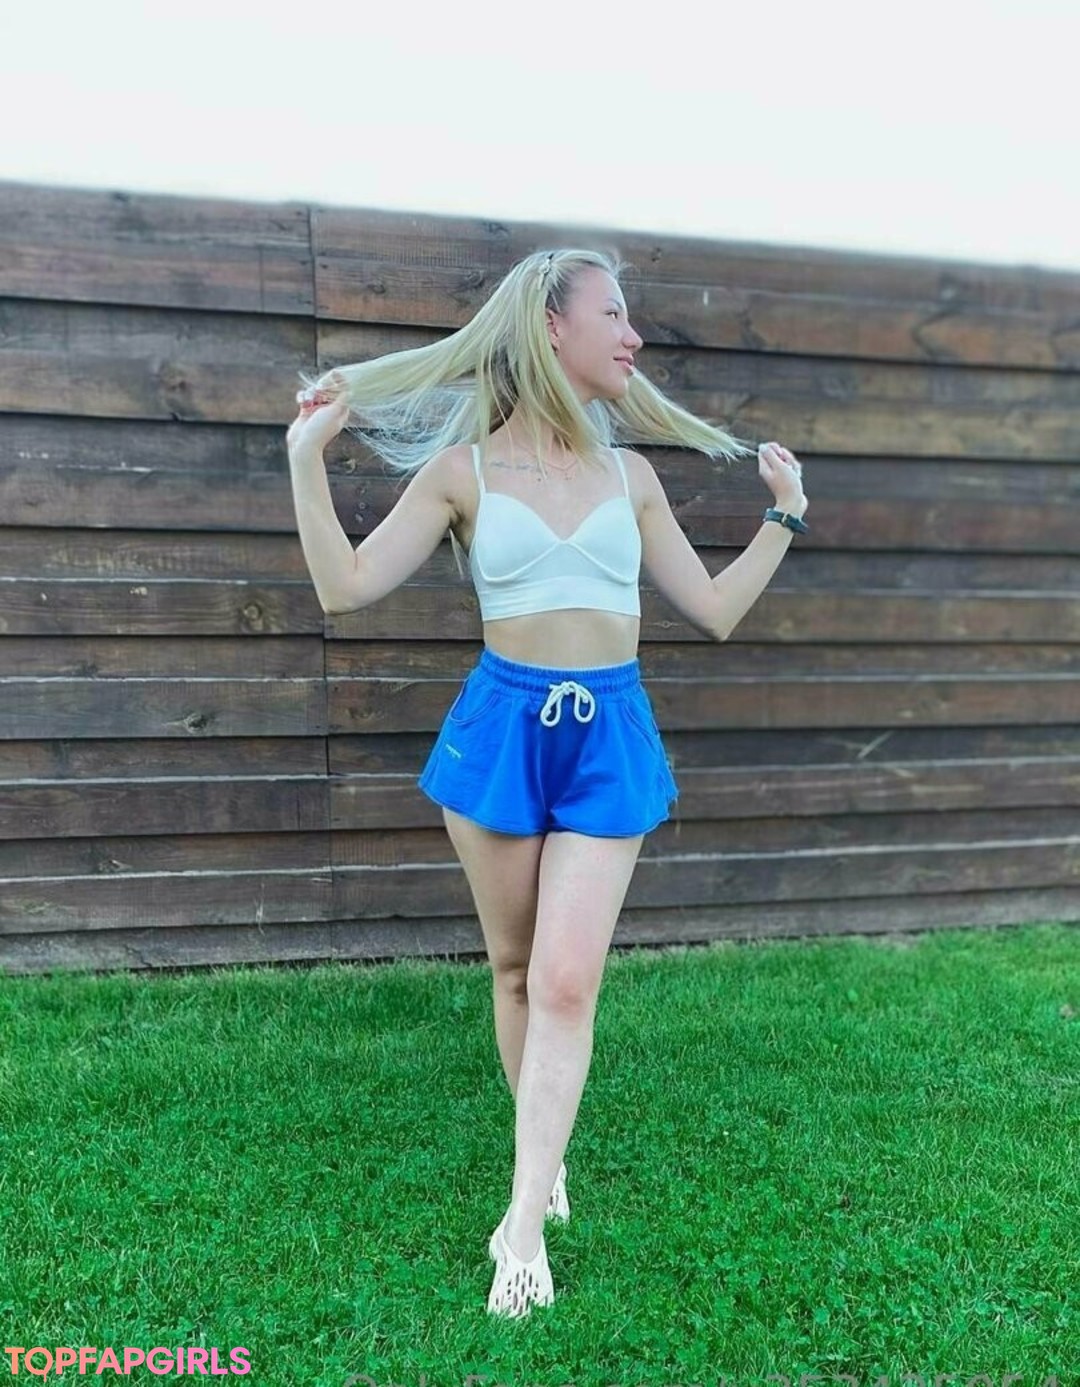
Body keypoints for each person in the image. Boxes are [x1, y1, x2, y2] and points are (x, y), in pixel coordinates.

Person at [285, 247, 808, 1318]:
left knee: (569, 981)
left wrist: (783, 516)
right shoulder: (464, 473)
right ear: (551, 328)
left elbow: (713, 610)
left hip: (608, 732)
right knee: (519, 970)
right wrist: (305, 458)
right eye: (614, 314)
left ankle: (520, 1230)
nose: (634, 335)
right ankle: (546, 1157)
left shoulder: (633, 477)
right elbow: (344, 587)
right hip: (502, 731)